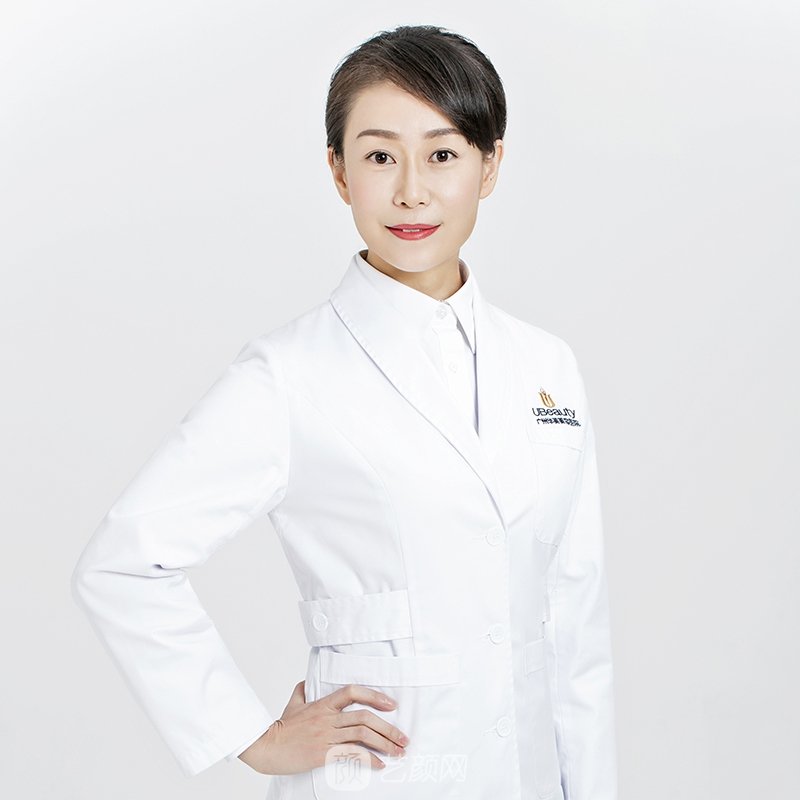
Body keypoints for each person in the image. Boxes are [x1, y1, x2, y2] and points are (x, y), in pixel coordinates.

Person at [72, 24, 618, 800]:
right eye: (379, 157)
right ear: (339, 171)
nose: (411, 192)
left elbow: (575, 621)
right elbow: (124, 562)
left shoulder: (546, 368)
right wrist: (248, 735)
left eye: (442, 155)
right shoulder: (289, 375)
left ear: (490, 164)